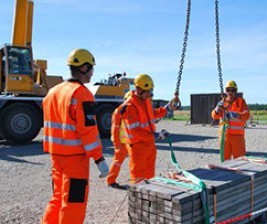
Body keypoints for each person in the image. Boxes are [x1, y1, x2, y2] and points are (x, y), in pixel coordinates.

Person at [41, 48, 109, 224]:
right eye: (91, 68)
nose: (92, 73)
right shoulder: (81, 94)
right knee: (73, 203)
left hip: (56, 157)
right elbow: (88, 131)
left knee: (57, 198)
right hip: (75, 160)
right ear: (84, 68)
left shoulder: (52, 93)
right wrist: (99, 159)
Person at [121, 74, 172, 183]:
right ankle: (136, 199)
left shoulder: (146, 101)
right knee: (138, 178)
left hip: (149, 144)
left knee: (150, 177)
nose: (150, 94)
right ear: (138, 90)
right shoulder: (130, 106)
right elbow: (135, 131)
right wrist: (156, 135)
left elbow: (151, 114)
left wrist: (167, 108)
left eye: (151, 90)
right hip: (137, 147)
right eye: (147, 91)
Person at [211, 80, 250, 161]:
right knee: (225, 162)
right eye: (228, 90)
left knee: (240, 161)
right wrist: (217, 109)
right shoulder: (222, 103)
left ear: (236, 91)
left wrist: (237, 115)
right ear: (225, 91)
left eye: (232, 90)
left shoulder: (241, 102)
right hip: (224, 137)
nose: (230, 92)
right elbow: (214, 116)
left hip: (238, 137)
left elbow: (246, 115)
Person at [106, 92, 131, 189]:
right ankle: (111, 180)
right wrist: (116, 143)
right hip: (122, 142)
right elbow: (115, 128)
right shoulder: (119, 111)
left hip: (128, 141)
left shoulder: (128, 110)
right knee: (117, 161)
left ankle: (137, 180)